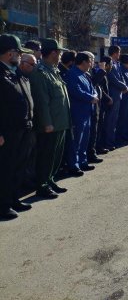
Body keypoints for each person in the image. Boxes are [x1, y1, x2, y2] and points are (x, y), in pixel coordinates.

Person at [29, 38, 71, 198]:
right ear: (53, 53)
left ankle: (50, 179)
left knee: (56, 155)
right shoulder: (40, 72)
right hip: (50, 123)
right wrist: (47, 123)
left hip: (60, 121)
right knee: (46, 155)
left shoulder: (53, 70)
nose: (60, 55)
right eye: (59, 52)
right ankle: (42, 185)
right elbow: (42, 101)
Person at [0, 34, 35, 219]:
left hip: (23, 127)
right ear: (9, 53)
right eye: (18, 52)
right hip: (8, 131)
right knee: (5, 168)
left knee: (18, 166)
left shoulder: (15, 72)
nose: (20, 56)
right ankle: (3, 205)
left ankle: (14, 198)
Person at [64, 52, 99, 174]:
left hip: (87, 111)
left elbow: (93, 89)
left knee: (85, 138)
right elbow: (75, 91)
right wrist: (91, 98)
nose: (91, 64)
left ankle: (83, 161)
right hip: (77, 111)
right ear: (83, 62)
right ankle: (74, 165)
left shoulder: (85, 74)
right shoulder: (72, 74)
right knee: (76, 140)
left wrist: (94, 95)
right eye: (90, 61)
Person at [104, 45, 128, 150]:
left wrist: (124, 86)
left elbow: (121, 77)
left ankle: (112, 140)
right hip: (113, 95)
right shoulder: (109, 63)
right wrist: (124, 87)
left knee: (115, 120)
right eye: (118, 52)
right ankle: (108, 143)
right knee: (110, 120)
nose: (119, 54)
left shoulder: (117, 64)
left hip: (118, 94)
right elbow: (112, 79)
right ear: (114, 53)